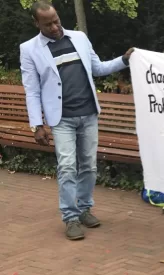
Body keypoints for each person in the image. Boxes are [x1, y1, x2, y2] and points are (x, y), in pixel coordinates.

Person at [20, 1, 134, 240]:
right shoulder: (29, 49)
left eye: (56, 20)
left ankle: (84, 209)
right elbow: (32, 90)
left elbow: (98, 68)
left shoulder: (79, 38)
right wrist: (37, 125)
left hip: (89, 113)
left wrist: (124, 60)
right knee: (68, 167)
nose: (54, 27)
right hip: (62, 119)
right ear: (36, 23)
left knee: (89, 166)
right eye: (48, 23)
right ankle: (70, 218)